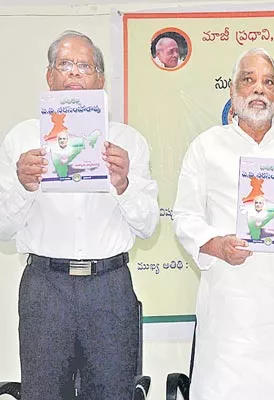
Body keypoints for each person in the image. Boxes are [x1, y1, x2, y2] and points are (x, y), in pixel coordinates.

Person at [0, 30, 159, 400]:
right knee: (43, 393)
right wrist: (25, 186)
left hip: (109, 287)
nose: (74, 74)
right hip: (45, 287)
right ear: (49, 76)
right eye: (65, 65)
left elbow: (149, 225)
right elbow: (4, 230)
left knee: (112, 393)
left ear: (100, 80)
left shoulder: (128, 141)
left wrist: (123, 184)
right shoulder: (22, 139)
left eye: (84, 66)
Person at [172, 47, 274, 400]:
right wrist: (217, 246)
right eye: (249, 80)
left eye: (268, 83)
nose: (259, 89)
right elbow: (184, 218)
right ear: (233, 92)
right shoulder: (206, 147)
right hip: (231, 318)